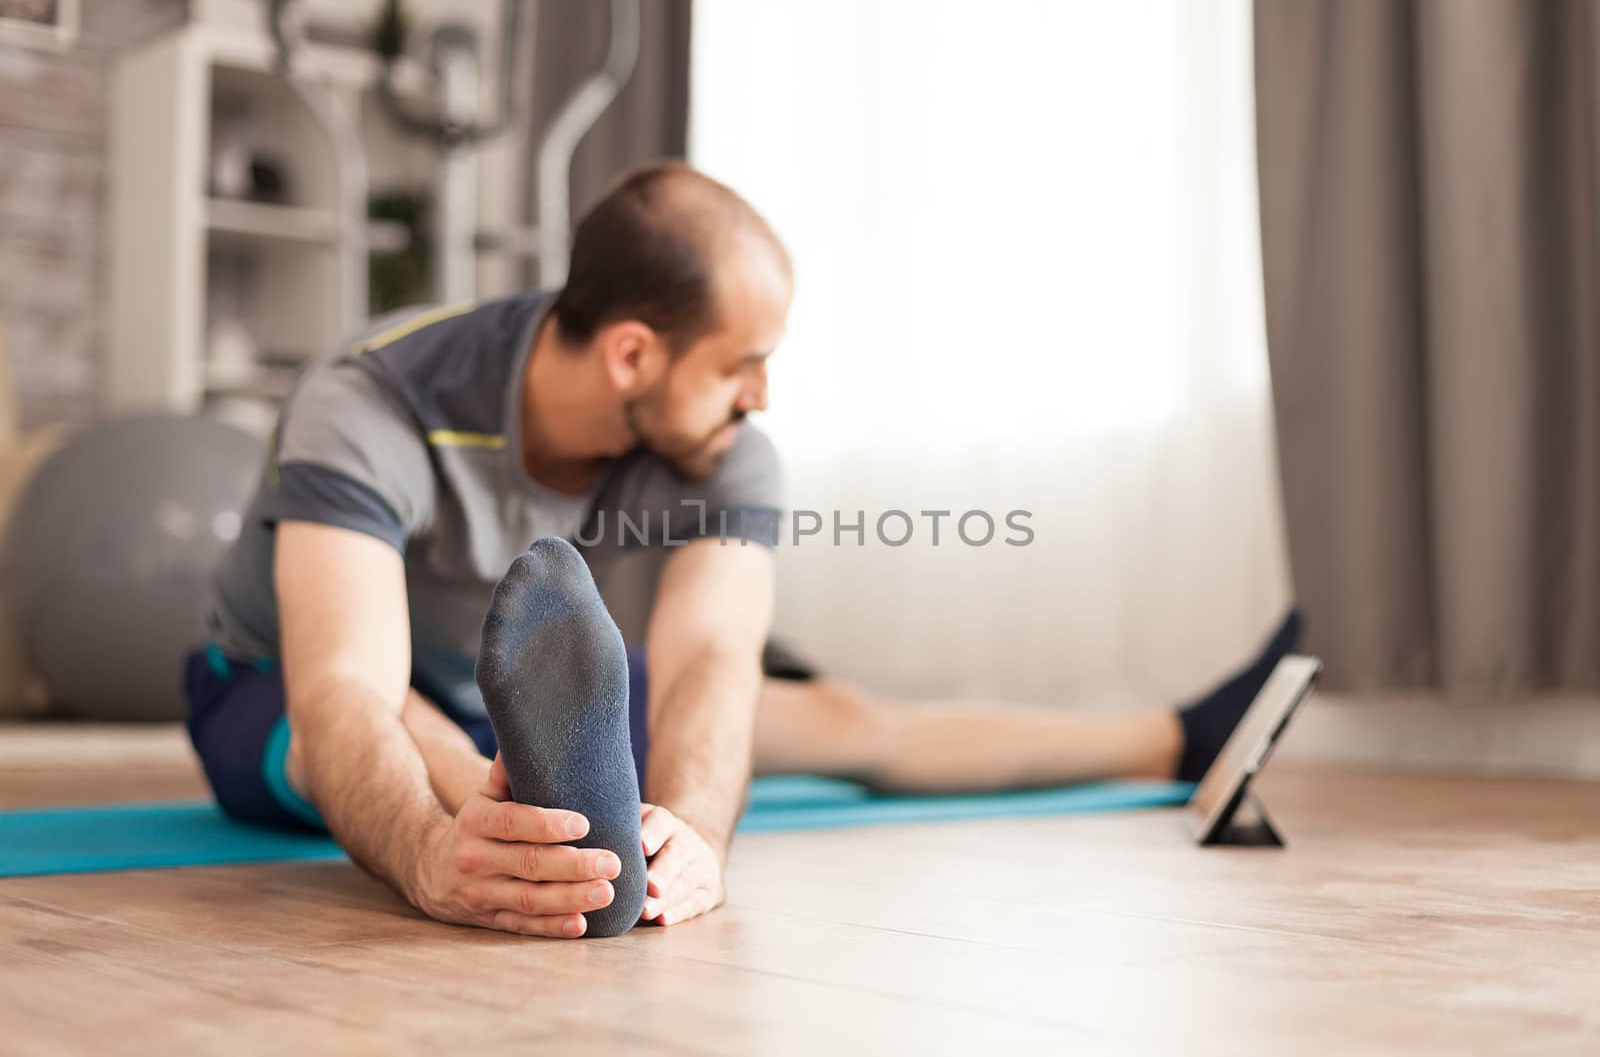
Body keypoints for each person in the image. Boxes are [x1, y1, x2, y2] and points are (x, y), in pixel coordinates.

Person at [185, 162, 1299, 939]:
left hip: (515, 693)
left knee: (834, 716)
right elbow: (344, 692)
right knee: (405, 717)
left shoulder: (726, 450)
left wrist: (699, 838)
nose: (761, 394)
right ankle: (522, 807)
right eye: (741, 363)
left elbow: (713, 662)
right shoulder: (371, 400)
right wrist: (433, 860)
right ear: (632, 353)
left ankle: (1176, 739)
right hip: (279, 687)